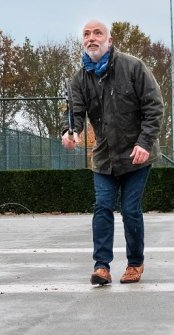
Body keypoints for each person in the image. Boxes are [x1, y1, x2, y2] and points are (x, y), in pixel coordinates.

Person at [62, 20, 164, 286]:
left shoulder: (133, 67)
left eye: (98, 33)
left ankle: (134, 264)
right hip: (105, 157)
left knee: (130, 209)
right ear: (83, 41)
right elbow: (75, 113)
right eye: (86, 34)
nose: (91, 38)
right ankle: (102, 267)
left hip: (137, 156)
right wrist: (70, 131)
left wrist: (144, 142)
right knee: (103, 207)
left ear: (109, 40)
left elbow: (154, 107)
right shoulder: (79, 79)